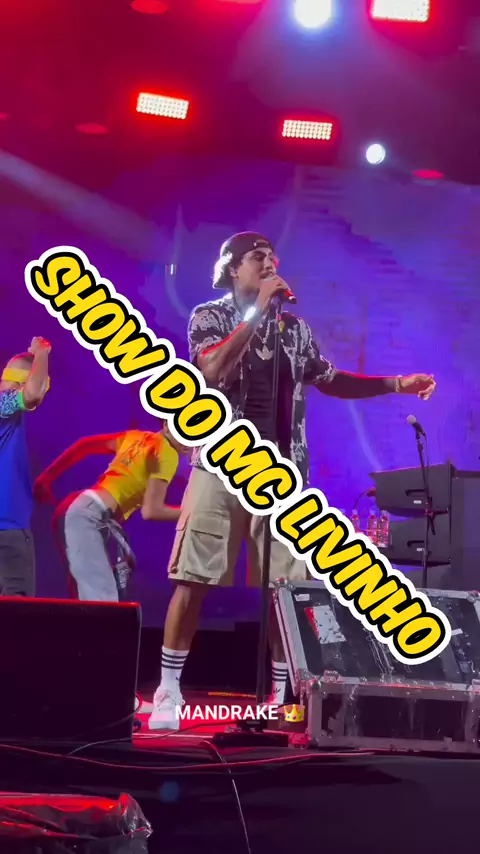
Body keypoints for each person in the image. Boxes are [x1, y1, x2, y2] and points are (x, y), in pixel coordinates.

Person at [148, 232, 436, 731]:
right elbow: (211, 371)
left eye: (273, 257)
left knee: (286, 589)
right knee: (193, 578)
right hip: (220, 463)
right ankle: (168, 691)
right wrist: (257, 310)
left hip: (281, 476)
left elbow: (329, 378)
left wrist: (395, 384)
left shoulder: (295, 330)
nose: (270, 263)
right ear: (233, 268)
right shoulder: (210, 317)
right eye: (258, 257)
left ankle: (281, 699)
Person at [34, 422, 189, 601]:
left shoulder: (136, 437)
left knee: (86, 601)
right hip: (88, 517)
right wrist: (197, 515)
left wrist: (46, 477)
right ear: (168, 425)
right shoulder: (168, 454)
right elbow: (152, 510)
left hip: (76, 508)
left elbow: (84, 445)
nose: (191, 440)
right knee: (102, 602)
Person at [0, 337, 51, 597]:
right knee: (16, 609)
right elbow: (33, 394)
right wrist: (42, 353)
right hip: (7, 528)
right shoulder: (3, 404)